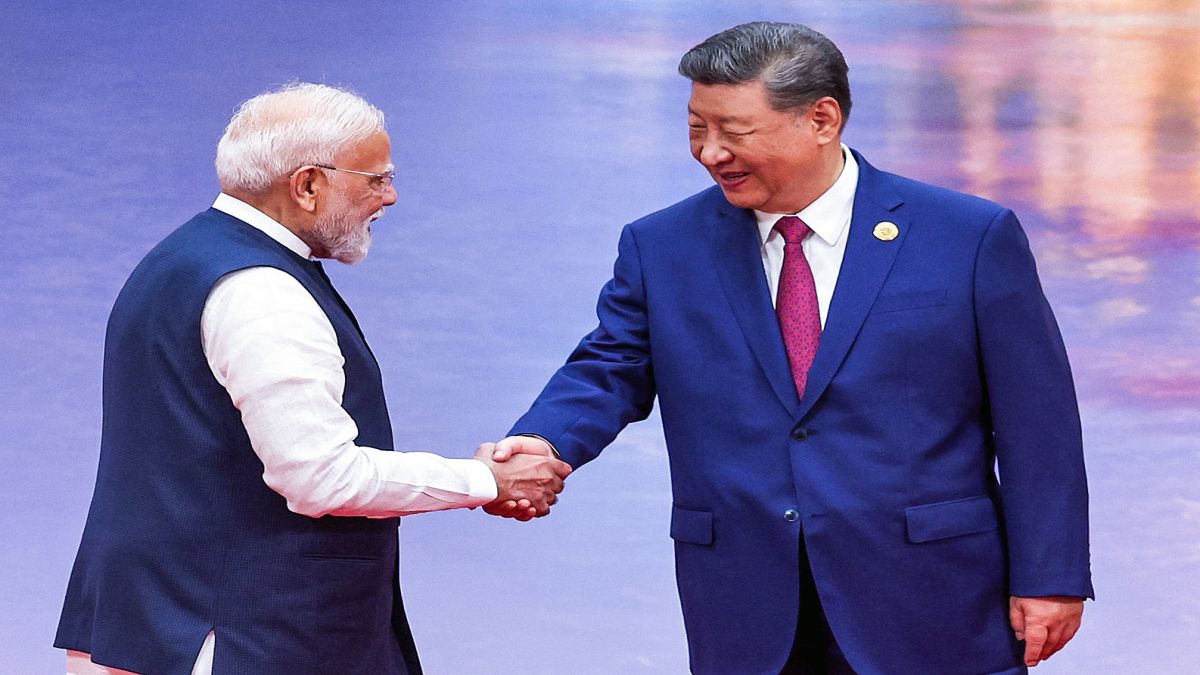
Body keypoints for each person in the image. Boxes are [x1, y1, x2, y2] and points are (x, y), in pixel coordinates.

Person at [485, 22, 1092, 674]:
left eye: (734, 131)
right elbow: (611, 364)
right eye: (696, 128)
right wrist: (546, 441)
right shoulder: (662, 246)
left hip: (931, 597)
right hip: (748, 607)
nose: (711, 152)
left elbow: (1038, 422)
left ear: (822, 119)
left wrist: (1050, 571)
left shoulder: (967, 236)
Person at [55, 82, 571, 675]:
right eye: (375, 178)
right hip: (237, 638)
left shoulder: (184, 257)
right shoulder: (264, 292)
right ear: (308, 185)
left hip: (152, 621)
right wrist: (485, 480)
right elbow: (320, 478)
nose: (392, 196)